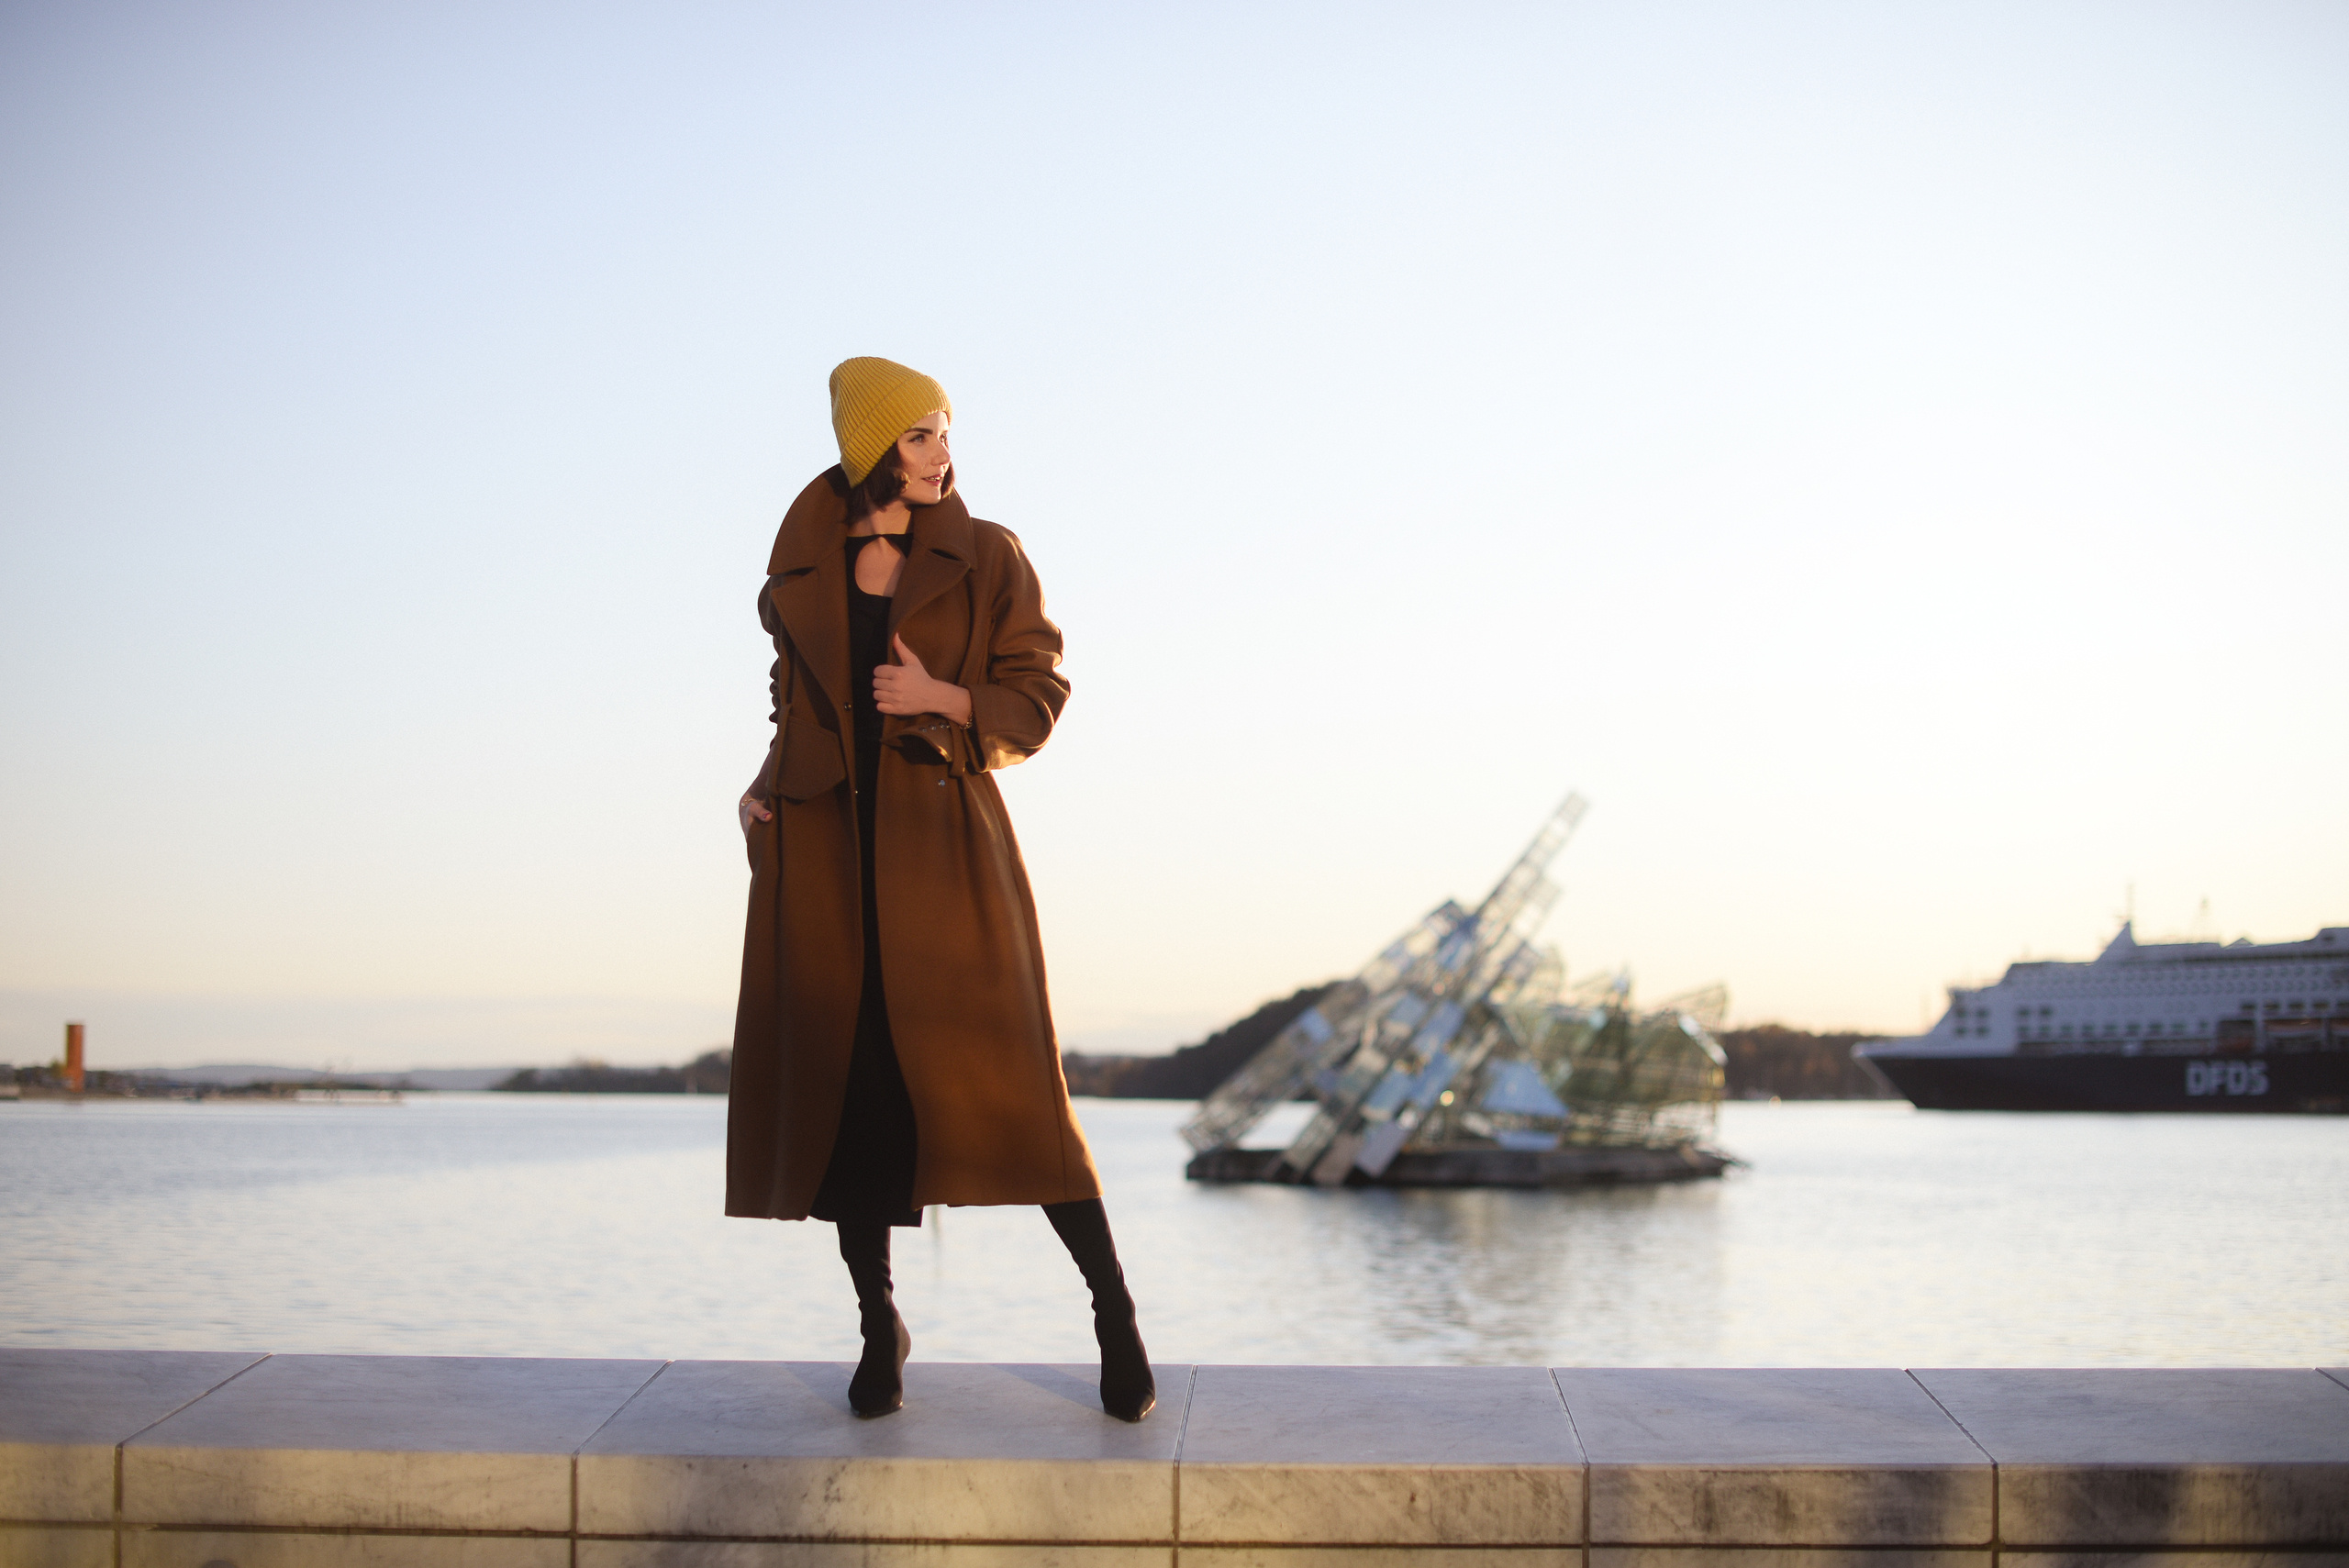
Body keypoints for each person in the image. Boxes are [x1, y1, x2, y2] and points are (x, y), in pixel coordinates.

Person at [728, 357, 1152, 1422]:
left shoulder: (987, 554)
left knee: (1020, 1094)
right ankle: (879, 1326)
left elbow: (1038, 689)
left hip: (947, 845)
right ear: (870, 444)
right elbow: (790, 706)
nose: (940, 452)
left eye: (944, 431)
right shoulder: (803, 563)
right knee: (849, 1102)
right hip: (825, 852)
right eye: (917, 434)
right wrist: (757, 785)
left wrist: (941, 695)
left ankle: (1114, 1312)